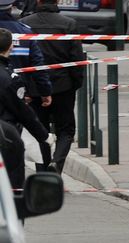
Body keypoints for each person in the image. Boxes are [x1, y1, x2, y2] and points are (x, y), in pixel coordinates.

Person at [20, 0, 85, 174]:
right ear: (56, 2)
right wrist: (76, 83)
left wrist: (24, 86)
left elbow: (22, 56)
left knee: (39, 130)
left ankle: (42, 171)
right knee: (66, 130)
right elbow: (77, 59)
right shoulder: (68, 24)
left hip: (34, 87)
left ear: (38, 2)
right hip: (63, 85)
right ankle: (57, 163)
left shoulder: (25, 24)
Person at [0, 28, 53, 190]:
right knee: (13, 186)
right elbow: (22, 111)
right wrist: (44, 136)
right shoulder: (8, 78)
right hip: (6, 136)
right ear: (10, 47)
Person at [0, 0, 52, 109]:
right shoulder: (24, 32)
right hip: (16, 93)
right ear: (11, 8)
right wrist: (45, 91)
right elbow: (37, 65)